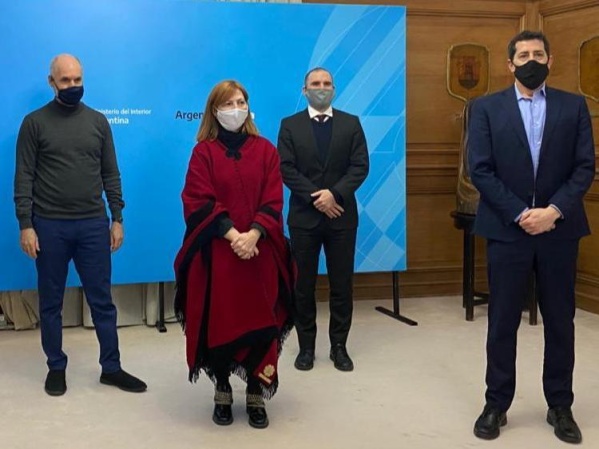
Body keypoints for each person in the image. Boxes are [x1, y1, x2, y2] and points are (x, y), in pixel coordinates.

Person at [468, 31, 595, 444]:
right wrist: (522, 214)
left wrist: (553, 211)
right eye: (522, 55)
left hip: (560, 230)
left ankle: (560, 405)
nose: (531, 60)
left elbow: (584, 167)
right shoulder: (486, 108)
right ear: (510, 64)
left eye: (538, 54)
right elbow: (480, 169)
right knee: (502, 320)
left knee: (560, 321)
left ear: (550, 60)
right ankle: (496, 403)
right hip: (508, 230)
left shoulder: (574, 106)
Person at [14, 54, 147, 396]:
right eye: (65, 81)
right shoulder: (34, 123)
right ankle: (56, 367)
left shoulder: (98, 122)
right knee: (51, 302)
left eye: (77, 80)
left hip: (92, 224)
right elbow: (24, 176)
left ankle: (111, 368)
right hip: (49, 226)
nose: (72, 86)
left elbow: (110, 173)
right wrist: (26, 225)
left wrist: (117, 218)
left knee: (102, 300)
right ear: (52, 82)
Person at [174, 80, 294, 429]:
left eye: (241, 102)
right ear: (214, 111)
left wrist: (254, 233)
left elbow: (273, 198)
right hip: (220, 255)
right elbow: (197, 199)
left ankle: (257, 392)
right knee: (222, 323)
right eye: (228, 104)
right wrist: (233, 235)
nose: (236, 109)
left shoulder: (266, 150)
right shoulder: (203, 153)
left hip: (261, 252)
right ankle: (222, 390)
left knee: (263, 321)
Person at [277, 67, 369, 372]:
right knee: (302, 286)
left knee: (342, 285)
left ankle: (339, 346)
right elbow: (286, 168)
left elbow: (360, 166)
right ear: (304, 90)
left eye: (327, 83)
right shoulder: (289, 125)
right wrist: (319, 198)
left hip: (342, 217)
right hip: (304, 218)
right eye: (315, 84)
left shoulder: (351, 123)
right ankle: (306, 347)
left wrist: (335, 195)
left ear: (334, 89)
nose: (321, 88)